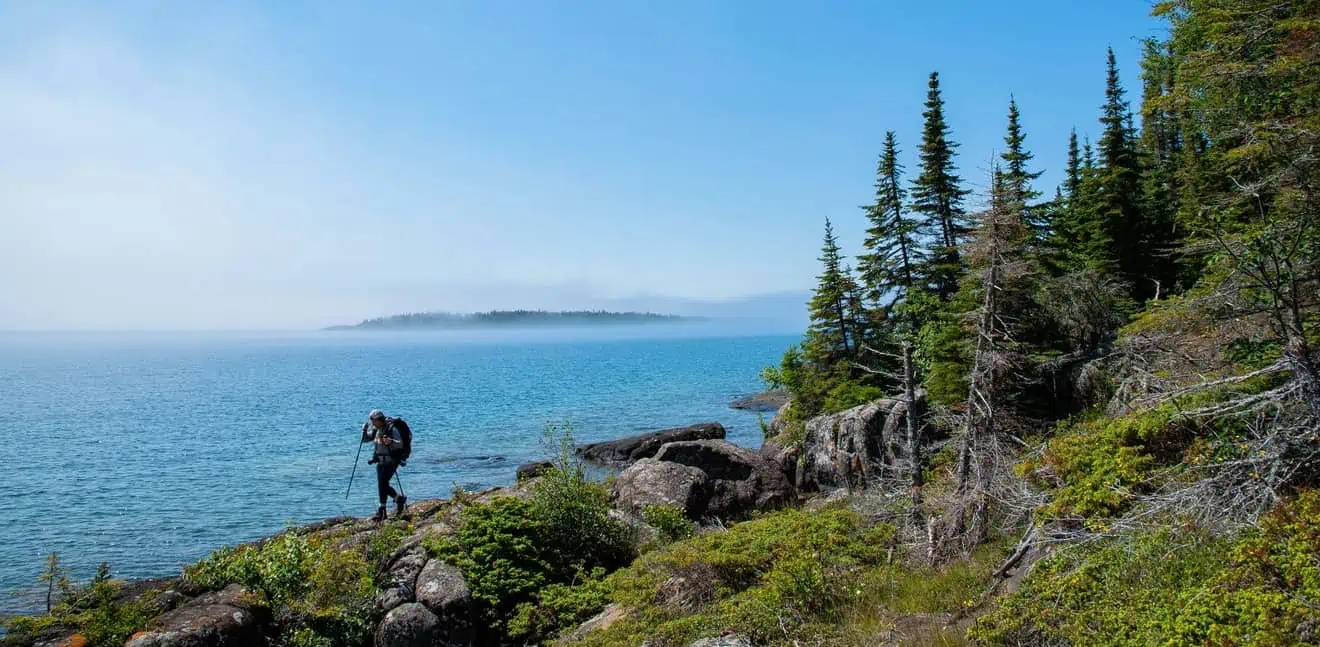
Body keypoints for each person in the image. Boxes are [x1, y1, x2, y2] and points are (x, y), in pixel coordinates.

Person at [361, 409, 408, 521]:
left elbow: (400, 443)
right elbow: (364, 440)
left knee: (382, 484)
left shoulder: (392, 428)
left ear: (378, 419)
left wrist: (390, 441)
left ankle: (382, 510)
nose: (372, 423)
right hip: (380, 461)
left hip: (391, 460)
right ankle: (398, 500)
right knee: (382, 485)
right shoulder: (376, 429)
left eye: (373, 420)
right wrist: (364, 430)